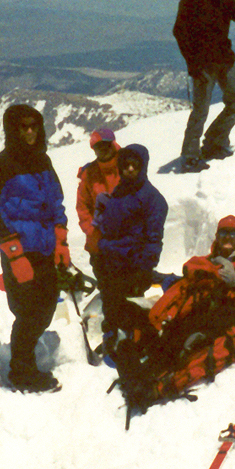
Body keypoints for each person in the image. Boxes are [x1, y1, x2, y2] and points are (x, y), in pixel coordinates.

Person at [115, 215, 235, 410]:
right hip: (195, 314)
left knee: (191, 347)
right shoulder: (209, 260)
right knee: (171, 337)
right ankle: (143, 371)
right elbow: (189, 275)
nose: (228, 237)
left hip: (222, 318)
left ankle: (156, 386)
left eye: (233, 233)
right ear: (217, 235)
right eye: (224, 232)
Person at [0, 103, 71, 392]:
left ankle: (25, 361)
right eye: (24, 127)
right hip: (20, 252)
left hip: (44, 249)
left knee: (45, 307)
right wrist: (15, 255)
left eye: (35, 126)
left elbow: (56, 201)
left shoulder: (43, 161)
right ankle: (21, 371)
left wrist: (61, 240)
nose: (30, 132)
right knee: (29, 312)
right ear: (12, 130)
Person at [172, 0, 235, 172]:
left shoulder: (226, 0)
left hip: (224, 62)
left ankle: (213, 143)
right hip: (203, 65)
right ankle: (190, 156)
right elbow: (179, 32)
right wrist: (192, 64)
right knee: (200, 111)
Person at [91, 143, 168, 352]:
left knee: (129, 307)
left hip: (132, 264)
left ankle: (139, 344)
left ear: (143, 166)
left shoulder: (152, 199)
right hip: (111, 260)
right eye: (126, 165)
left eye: (135, 165)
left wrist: (144, 266)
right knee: (111, 302)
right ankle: (114, 338)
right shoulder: (120, 191)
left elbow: (153, 239)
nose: (130, 169)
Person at [76, 127, 120, 259]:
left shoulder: (127, 164)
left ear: (113, 144)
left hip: (128, 239)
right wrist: (93, 232)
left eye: (106, 145)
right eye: (98, 147)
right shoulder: (89, 174)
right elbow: (82, 207)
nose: (103, 150)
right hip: (99, 242)